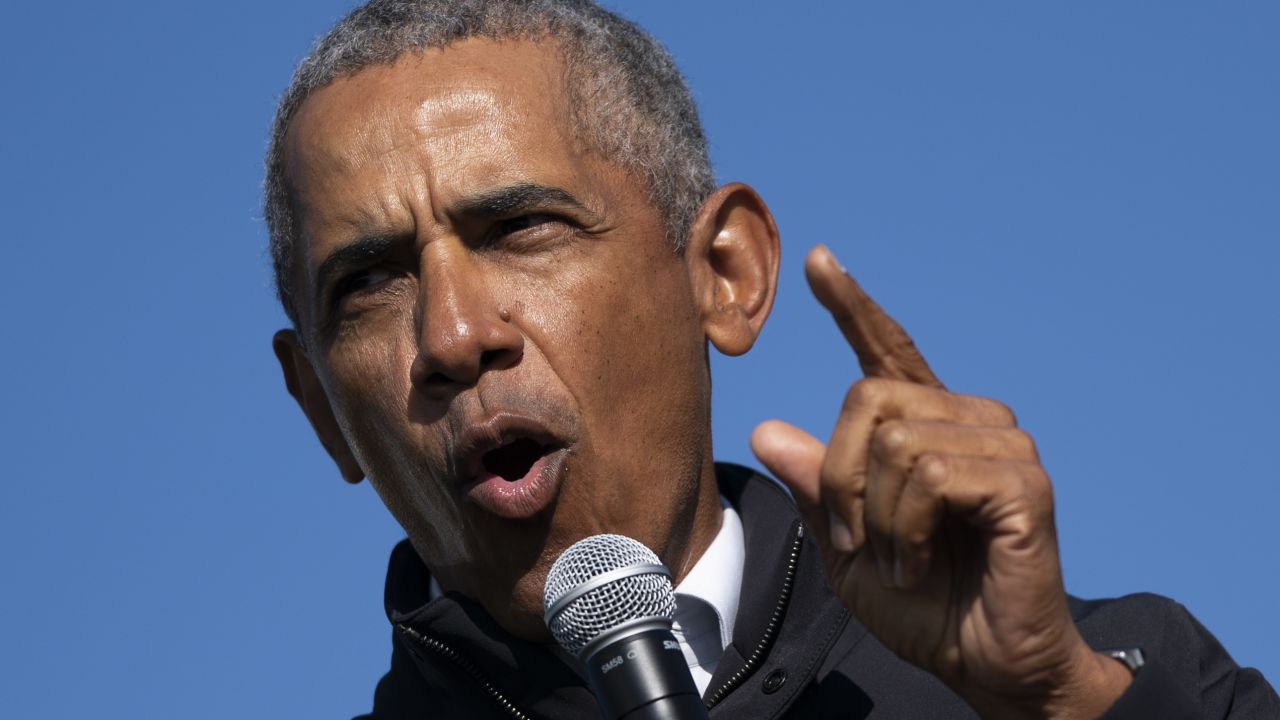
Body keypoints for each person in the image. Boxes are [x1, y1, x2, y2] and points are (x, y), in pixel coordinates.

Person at [264, 1, 1278, 717]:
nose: (450, 336)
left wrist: (1061, 700)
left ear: (723, 272)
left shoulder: (1101, 684)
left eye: (521, 228)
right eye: (369, 285)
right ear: (319, 411)